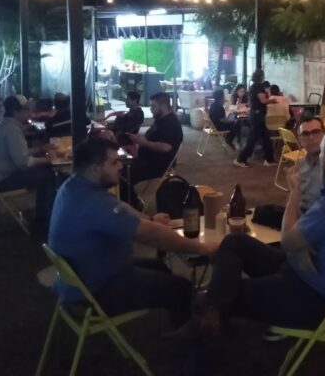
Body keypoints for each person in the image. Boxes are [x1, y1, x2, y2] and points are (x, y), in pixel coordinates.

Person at [196, 127, 325, 333]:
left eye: (322, 150)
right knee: (233, 242)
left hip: (313, 295)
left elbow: (287, 241)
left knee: (229, 291)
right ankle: (213, 315)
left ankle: (208, 324)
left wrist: (294, 191)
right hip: (305, 267)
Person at [49, 138, 214, 328]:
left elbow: (120, 206)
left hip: (81, 278)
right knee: (182, 288)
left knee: (160, 267)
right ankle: (189, 337)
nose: (120, 166)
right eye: (114, 162)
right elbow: (152, 236)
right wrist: (202, 248)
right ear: (95, 169)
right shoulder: (93, 204)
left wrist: (149, 219)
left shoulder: (74, 186)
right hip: (95, 291)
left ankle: (177, 320)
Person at [0, 95, 56, 221]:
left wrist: (40, 149)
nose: (30, 112)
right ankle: (44, 217)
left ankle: (45, 213)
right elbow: (23, 162)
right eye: (26, 109)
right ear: (16, 112)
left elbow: (18, 153)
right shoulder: (12, 130)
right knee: (48, 175)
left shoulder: (5, 125)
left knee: (44, 171)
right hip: (2, 180)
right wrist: (48, 160)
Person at [124, 92, 184, 200]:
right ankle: (130, 201)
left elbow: (166, 147)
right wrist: (140, 139)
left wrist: (144, 143)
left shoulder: (171, 123)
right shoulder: (160, 120)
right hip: (148, 160)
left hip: (158, 165)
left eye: (153, 106)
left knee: (123, 175)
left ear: (163, 106)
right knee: (120, 167)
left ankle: (132, 204)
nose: (150, 109)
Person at [234, 69, 275, 168]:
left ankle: (268, 159)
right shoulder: (259, 86)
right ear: (261, 76)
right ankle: (241, 159)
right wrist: (272, 100)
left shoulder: (253, 86)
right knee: (253, 139)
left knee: (264, 138)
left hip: (255, 115)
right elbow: (263, 100)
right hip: (258, 115)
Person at [290, 114, 325, 212]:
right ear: (299, 139)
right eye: (305, 134)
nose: (311, 137)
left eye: (316, 132)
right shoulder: (300, 165)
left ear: (324, 135)